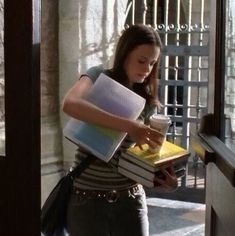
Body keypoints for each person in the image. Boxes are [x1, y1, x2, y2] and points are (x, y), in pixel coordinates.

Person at [62, 24, 178, 236]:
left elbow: (147, 153)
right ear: (124, 54)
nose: (146, 69)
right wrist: (129, 125)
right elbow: (70, 104)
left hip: (131, 201)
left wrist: (167, 179)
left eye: (152, 63)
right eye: (141, 61)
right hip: (86, 200)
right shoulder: (97, 76)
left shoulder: (147, 100)